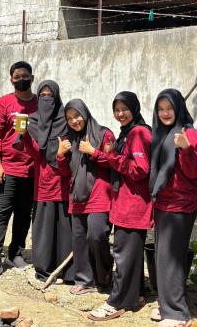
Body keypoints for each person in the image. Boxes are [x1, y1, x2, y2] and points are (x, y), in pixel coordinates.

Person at [88, 91, 153, 321]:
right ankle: (135, 295)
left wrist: (110, 156)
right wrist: (110, 154)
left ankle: (117, 302)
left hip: (133, 204)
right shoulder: (128, 133)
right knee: (131, 254)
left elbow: (140, 169)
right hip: (126, 201)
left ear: (134, 108)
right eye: (116, 110)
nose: (120, 114)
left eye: (124, 109)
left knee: (124, 254)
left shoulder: (138, 133)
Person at [149, 89, 197, 327]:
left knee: (171, 257)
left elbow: (194, 173)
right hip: (163, 202)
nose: (165, 113)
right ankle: (167, 305)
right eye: (161, 109)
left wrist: (186, 149)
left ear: (178, 108)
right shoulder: (161, 134)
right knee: (163, 257)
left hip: (181, 204)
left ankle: (178, 315)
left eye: (169, 108)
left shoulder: (189, 133)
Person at [0, 61, 38, 282]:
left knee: (24, 214)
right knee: (0, 215)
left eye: (25, 76)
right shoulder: (3, 103)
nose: (21, 80)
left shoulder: (40, 103)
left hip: (32, 170)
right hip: (7, 169)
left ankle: (15, 253)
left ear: (32, 78)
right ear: (11, 79)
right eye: (17, 77)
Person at [57, 99, 115, 295]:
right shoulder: (68, 139)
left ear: (85, 113)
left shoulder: (104, 134)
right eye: (69, 118)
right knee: (80, 239)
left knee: (96, 235)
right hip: (77, 195)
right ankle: (84, 280)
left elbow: (114, 162)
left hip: (100, 193)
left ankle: (104, 278)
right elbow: (66, 172)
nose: (74, 121)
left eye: (77, 115)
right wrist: (60, 155)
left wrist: (93, 152)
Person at [22, 80, 74, 283]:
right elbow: (36, 154)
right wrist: (24, 135)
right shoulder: (33, 121)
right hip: (44, 182)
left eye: (50, 96)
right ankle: (44, 270)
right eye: (42, 96)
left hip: (64, 180)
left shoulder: (66, 121)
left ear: (57, 97)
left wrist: (62, 155)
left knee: (65, 229)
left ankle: (67, 271)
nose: (46, 99)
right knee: (44, 229)